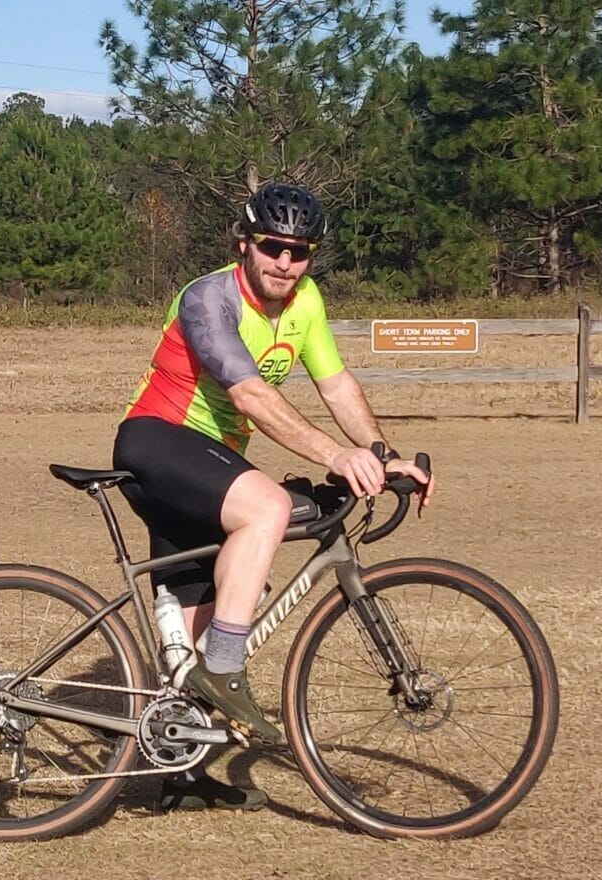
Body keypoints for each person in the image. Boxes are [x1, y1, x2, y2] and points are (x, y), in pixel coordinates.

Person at [113, 181, 434, 811]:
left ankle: (181, 766)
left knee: (203, 607)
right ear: (245, 245)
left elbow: (338, 387)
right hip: (158, 439)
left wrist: (376, 454)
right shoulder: (208, 297)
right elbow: (251, 396)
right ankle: (227, 669)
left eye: (299, 251)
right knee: (269, 507)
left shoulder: (306, 302)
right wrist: (334, 455)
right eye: (273, 247)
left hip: (212, 460)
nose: (285, 262)